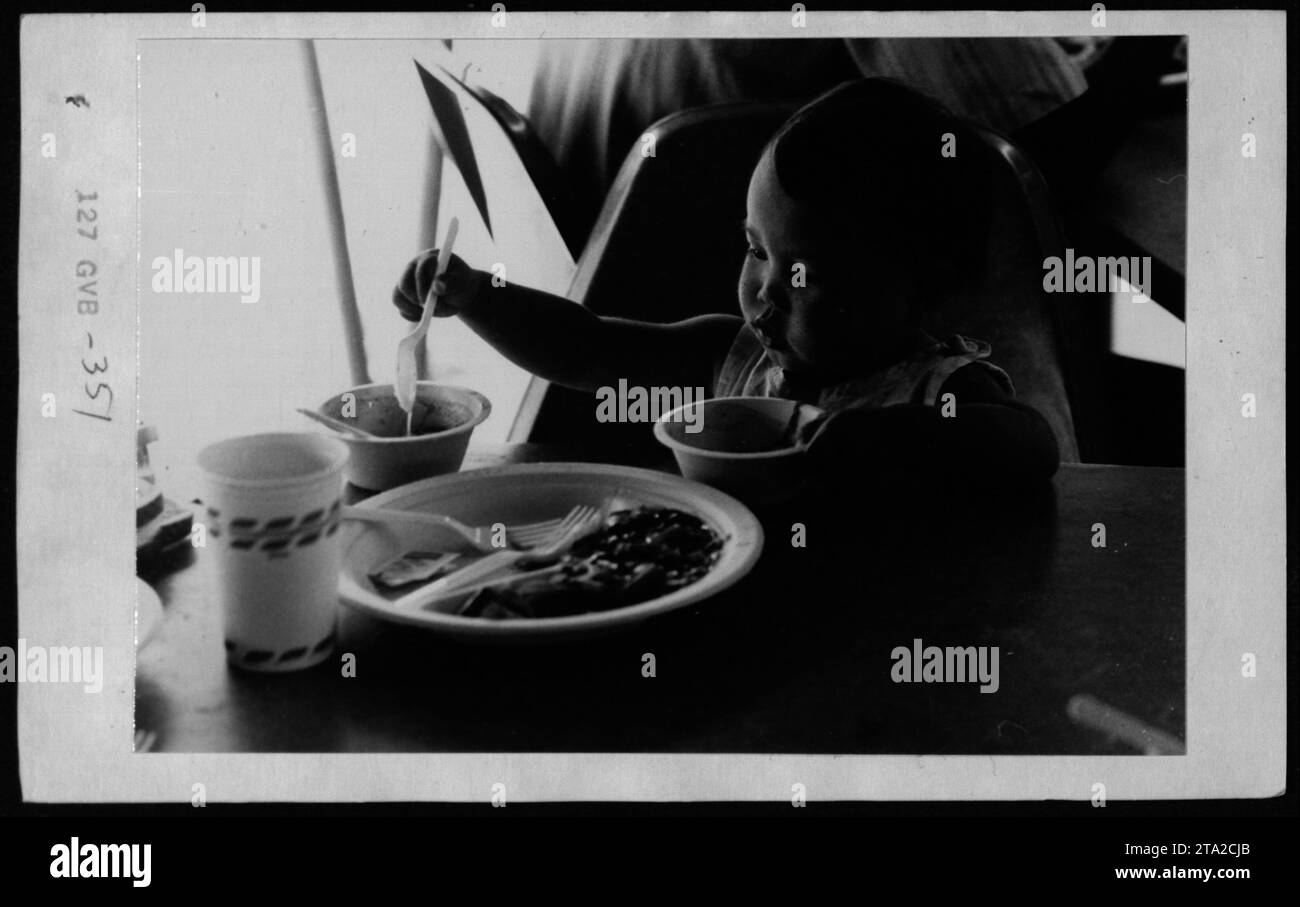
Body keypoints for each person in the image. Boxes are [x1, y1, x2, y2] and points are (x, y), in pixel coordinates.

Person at [394, 80, 1059, 491]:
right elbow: (586, 350)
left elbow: (1030, 444)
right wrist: (481, 298)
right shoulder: (731, 356)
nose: (766, 293)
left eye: (806, 276)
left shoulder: (937, 388)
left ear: (923, 288)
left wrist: (880, 441)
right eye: (755, 249)